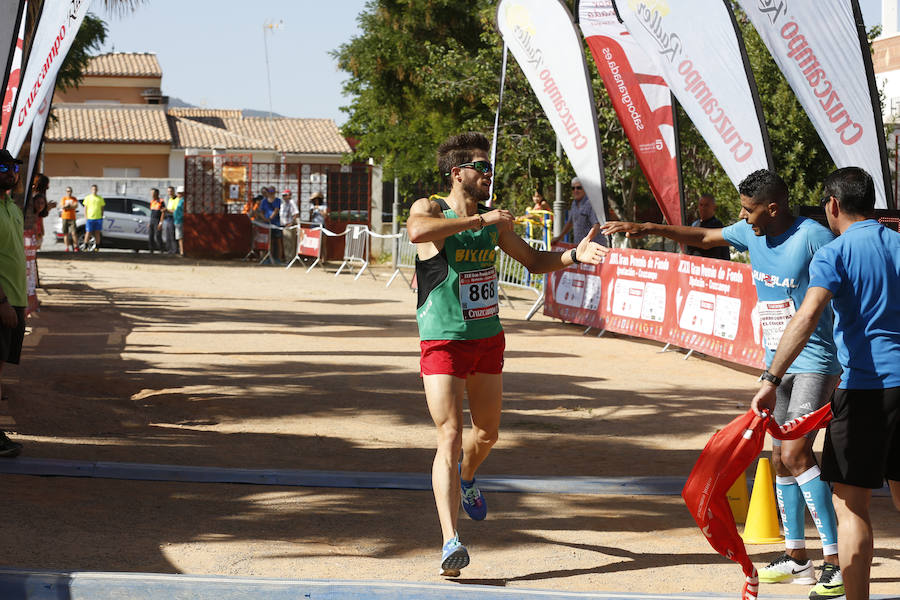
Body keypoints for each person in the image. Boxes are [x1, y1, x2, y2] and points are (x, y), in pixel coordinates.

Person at [603, 169, 843, 599]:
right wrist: (648, 227)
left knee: (796, 451)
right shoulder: (751, 233)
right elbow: (703, 238)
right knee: (778, 456)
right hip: (777, 365)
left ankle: (835, 562)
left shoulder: (814, 237)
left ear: (774, 207)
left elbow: (844, 291)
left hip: (816, 362)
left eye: (749, 209)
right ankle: (797, 558)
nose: (742, 216)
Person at [406, 132, 609, 576]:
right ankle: (450, 542)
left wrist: (575, 254)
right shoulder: (431, 208)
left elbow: (535, 261)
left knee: (488, 434)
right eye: (481, 167)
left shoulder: (494, 222)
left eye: (490, 168)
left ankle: (469, 478)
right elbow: (418, 232)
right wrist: (476, 224)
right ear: (457, 173)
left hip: (487, 338)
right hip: (442, 337)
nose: (488, 175)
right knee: (450, 435)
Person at [751, 167, 900, 600]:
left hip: (865, 391)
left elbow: (808, 314)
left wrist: (770, 377)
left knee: (852, 507)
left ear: (832, 205)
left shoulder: (834, 253)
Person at [0, 149, 26, 457]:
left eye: (14, 167)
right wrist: (2, 300)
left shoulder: (12, 207)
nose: (11, 172)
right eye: (4, 167)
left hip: (15, 301)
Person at [687, 194, 730, 261]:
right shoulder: (695, 224)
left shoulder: (717, 225)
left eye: (706, 205)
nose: (703, 208)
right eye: (701, 205)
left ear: (714, 207)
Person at [260, 187, 283, 265]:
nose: (271, 193)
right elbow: (261, 212)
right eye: (270, 191)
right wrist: (265, 219)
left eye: (272, 191)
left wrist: (270, 218)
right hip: (267, 224)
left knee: (278, 241)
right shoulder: (264, 201)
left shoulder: (278, 200)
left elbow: (276, 210)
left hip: (276, 223)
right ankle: (269, 258)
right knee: (269, 242)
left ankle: (278, 258)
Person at [82, 184, 105, 251]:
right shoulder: (88, 198)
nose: (94, 190)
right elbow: (85, 208)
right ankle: (85, 246)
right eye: (93, 189)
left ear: (97, 190)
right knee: (88, 232)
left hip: (98, 218)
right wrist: (86, 217)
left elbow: (102, 208)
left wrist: (101, 216)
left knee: (97, 232)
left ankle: (97, 247)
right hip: (90, 218)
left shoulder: (100, 198)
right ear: (91, 190)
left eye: (95, 189)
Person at [280, 189, 299, 260]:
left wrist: (291, 223)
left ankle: (291, 258)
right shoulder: (283, 204)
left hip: (290, 226)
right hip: (284, 225)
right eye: (283, 195)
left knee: (290, 243)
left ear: (289, 195)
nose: (284, 197)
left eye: (285, 195)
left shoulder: (292, 203)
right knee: (286, 243)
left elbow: (296, 213)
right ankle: (287, 258)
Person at [59, 186, 79, 252]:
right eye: (67, 191)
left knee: (74, 233)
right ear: (66, 192)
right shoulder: (64, 198)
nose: (69, 192)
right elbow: (62, 206)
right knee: (65, 233)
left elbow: (75, 206)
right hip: (65, 217)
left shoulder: (74, 198)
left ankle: (76, 247)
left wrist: (68, 206)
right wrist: (69, 206)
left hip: (72, 218)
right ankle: (67, 247)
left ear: (71, 191)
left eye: (70, 191)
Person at [148, 188, 165, 253]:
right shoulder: (152, 202)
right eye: (151, 193)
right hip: (152, 220)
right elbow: (151, 213)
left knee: (158, 235)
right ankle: (151, 250)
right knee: (150, 235)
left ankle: (161, 249)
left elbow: (163, 213)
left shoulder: (161, 201)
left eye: (153, 193)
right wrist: (150, 222)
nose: (152, 194)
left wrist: (160, 223)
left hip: (157, 220)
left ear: (157, 194)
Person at [162, 186, 177, 254]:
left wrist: (167, 210)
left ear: (174, 191)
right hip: (168, 218)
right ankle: (169, 250)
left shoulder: (176, 199)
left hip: (173, 218)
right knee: (168, 235)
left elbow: (175, 211)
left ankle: (174, 250)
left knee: (172, 234)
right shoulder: (170, 199)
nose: (169, 193)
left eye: (171, 191)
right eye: (168, 191)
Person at [173, 185, 186, 256]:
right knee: (179, 237)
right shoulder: (180, 201)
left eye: (179, 193)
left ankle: (182, 251)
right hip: (177, 220)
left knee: (180, 237)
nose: (177, 194)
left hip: (180, 220)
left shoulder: (183, 201)